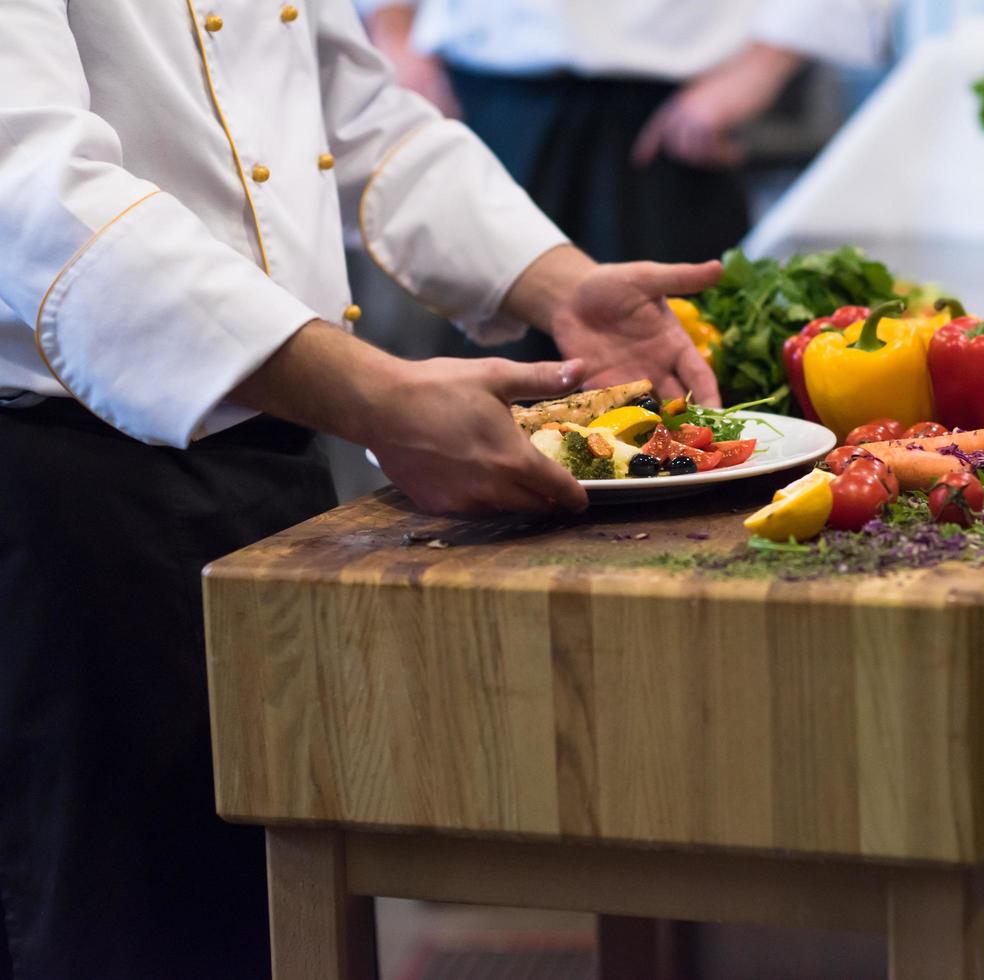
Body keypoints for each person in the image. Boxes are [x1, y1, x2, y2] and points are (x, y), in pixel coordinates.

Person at [0, 3, 719, 978]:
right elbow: (28, 186)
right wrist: (379, 396)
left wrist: (554, 282)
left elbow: (358, 114)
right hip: (59, 487)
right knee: (118, 925)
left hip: (269, 454)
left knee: (261, 914)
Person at [363, 0, 891, 266]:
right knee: (490, 381)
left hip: (663, 123)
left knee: (678, 384)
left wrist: (764, 64)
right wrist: (393, 30)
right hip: (484, 100)